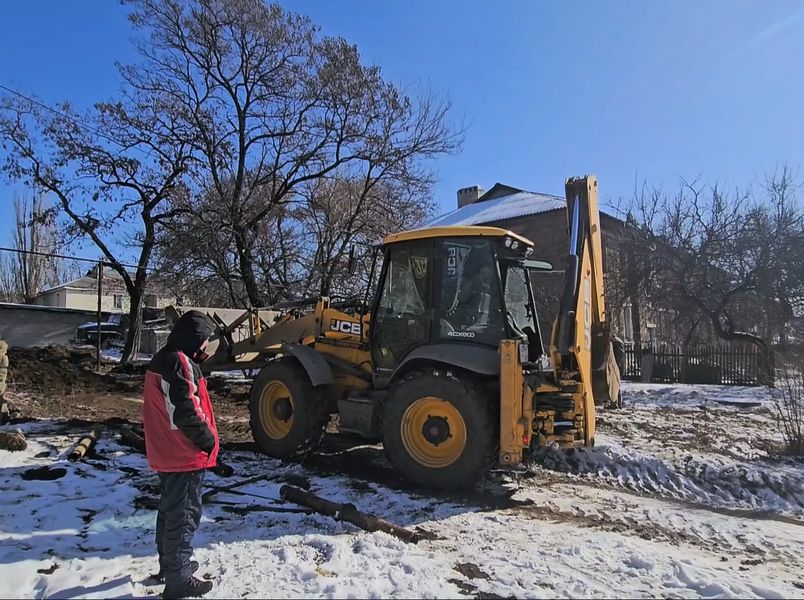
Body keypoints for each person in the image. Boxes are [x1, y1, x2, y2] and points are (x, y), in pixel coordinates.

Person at [142, 310, 218, 598]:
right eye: (205, 340)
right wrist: (208, 440)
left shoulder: (166, 358)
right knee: (183, 516)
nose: (206, 347)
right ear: (193, 338)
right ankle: (179, 578)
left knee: (170, 511)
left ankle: (170, 565)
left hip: (168, 450)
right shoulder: (179, 362)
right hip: (183, 453)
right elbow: (186, 410)